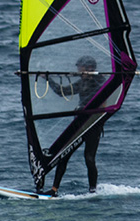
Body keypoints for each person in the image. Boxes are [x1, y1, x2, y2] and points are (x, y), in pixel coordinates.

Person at [43, 55, 103, 197]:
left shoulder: (101, 81)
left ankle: (92, 191)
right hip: (79, 123)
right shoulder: (81, 82)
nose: (78, 70)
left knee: (89, 158)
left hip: (93, 124)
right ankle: (54, 190)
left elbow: (102, 94)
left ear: (89, 68)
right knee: (63, 156)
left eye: (80, 68)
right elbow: (61, 91)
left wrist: (92, 76)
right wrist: (48, 80)